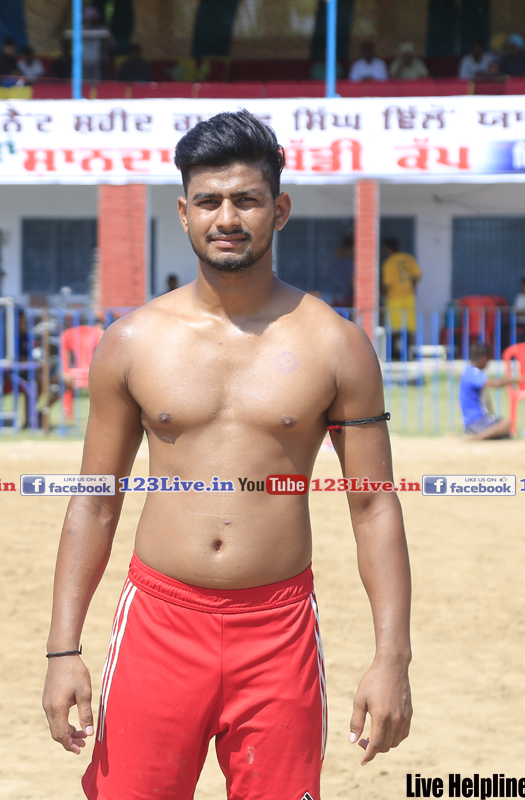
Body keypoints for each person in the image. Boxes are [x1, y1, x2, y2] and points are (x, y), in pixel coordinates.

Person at [42, 110, 413, 799]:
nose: (228, 218)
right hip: (158, 622)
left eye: (246, 199)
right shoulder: (132, 342)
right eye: (209, 201)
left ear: (280, 209)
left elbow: (373, 506)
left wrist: (393, 659)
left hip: (278, 629)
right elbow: (93, 503)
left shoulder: (337, 345)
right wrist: (63, 649)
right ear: (184, 212)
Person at [460, 341, 521, 440]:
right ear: (483, 358)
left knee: (505, 434)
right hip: (476, 421)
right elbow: (496, 383)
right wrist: (514, 380)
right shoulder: (473, 373)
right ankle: (477, 438)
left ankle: (479, 435)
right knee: (507, 423)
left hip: (474, 421)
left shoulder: (467, 370)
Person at [381, 236, 421, 353]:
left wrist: (381, 293)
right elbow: (418, 275)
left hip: (395, 298)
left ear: (387, 249)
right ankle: (408, 352)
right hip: (409, 297)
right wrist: (411, 286)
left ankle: (396, 354)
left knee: (395, 328)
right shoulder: (408, 258)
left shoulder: (389, 263)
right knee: (409, 327)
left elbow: (387, 284)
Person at [329, 233, 354, 308]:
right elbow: (353, 281)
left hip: (336, 297)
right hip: (347, 298)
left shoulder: (336, 262)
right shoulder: (350, 263)